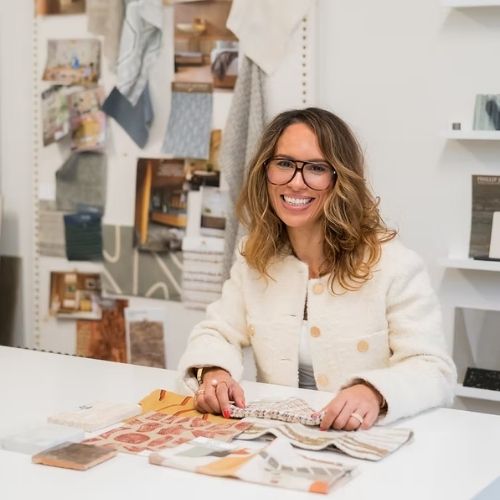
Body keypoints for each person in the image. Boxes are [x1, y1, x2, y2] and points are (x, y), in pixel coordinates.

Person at [178, 107, 456, 431]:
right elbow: (217, 331)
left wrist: (373, 392)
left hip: (366, 440)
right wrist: (214, 372)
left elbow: (434, 369)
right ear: (265, 172)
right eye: (284, 164)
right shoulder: (253, 256)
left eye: (315, 168)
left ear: (341, 177)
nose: (296, 183)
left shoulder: (394, 265)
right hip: (276, 439)